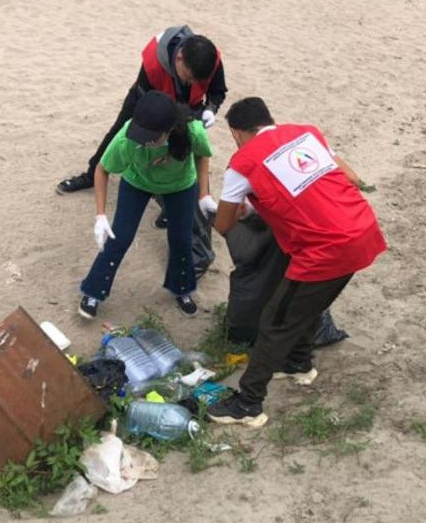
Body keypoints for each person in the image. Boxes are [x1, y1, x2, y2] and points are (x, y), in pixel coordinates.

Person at [206, 98, 387, 427]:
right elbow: (350, 176)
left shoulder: (242, 163)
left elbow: (223, 224)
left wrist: (247, 210)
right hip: (362, 229)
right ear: (269, 120)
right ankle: (299, 363)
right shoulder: (306, 134)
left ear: (236, 133)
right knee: (308, 303)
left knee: (275, 320)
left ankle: (248, 403)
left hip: (326, 249)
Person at [77, 91, 215, 319]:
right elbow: (102, 169)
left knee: (181, 239)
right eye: (140, 134)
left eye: (150, 137)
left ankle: (181, 289)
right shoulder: (127, 140)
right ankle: (93, 292)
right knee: (119, 237)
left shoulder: (192, 131)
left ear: (169, 129)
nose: (142, 141)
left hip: (180, 185)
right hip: (137, 182)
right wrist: (100, 215)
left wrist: (204, 194)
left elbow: (202, 156)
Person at [57, 25, 227, 195]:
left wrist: (210, 108)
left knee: (185, 145)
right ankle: (91, 174)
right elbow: (147, 103)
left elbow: (218, 90)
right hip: (148, 100)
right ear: (179, 58)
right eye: (189, 78)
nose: (192, 83)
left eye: (198, 81)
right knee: (120, 131)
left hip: (189, 107)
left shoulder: (210, 61)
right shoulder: (153, 63)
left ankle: (181, 195)